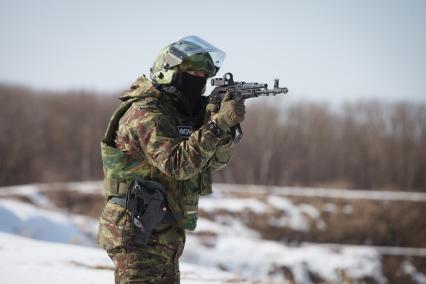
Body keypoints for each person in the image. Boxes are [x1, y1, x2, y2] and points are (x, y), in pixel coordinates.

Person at [97, 35, 245, 283]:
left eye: (203, 78)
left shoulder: (178, 115)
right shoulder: (145, 114)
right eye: (193, 75)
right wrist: (217, 126)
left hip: (164, 232)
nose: (199, 83)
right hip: (137, 232)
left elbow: (213, 162)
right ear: (169, 72)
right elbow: (178, 165)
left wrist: (221, 129)